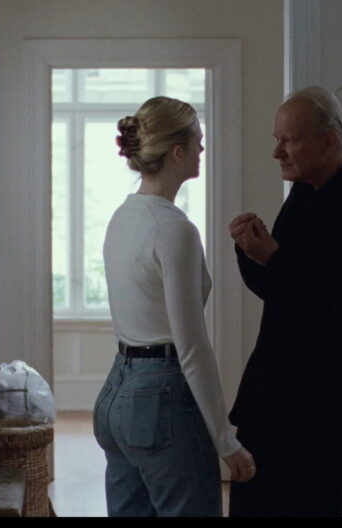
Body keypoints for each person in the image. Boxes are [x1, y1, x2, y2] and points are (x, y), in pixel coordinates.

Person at [227, 86, 342, 517]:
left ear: (328, 142)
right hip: (272, 398)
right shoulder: (304, 192)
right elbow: (278, 291)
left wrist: (274, 257)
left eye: (287, 140)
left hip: (328, 409)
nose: (276, 153)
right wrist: (249, 251)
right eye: (277, 139)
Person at [95, 96, 256, 517]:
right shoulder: (173, 229)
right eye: (197, 140)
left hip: (116, 394)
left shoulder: (122, 217)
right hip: (160, 399)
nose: (203, 148)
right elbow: (191, 347)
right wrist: (226, 440)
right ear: (177, 152)